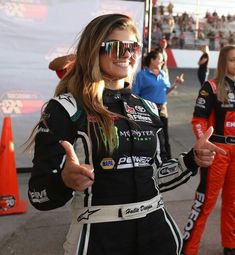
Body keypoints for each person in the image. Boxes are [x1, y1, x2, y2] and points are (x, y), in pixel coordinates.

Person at [27, 14, 225, 255]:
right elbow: (38, 195)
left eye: (133, 47)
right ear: (93, 50)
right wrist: (64, 182)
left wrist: (193, 159)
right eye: (116, 47)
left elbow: (156, 177)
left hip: (158, 234)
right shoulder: (65, 109)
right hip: (98, 238)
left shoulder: (148, 108)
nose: (127, 54)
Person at [182, 45, 235, 255]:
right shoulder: (211, 86)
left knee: (232, 202)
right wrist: (203, 143)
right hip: (217, 151)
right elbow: (198, 119)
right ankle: (189, 248)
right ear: (223, 62)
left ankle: (230, 245)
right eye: (232, 60)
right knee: (205, 203)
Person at [132, 49, 184, 159]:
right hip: (147, 110)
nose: (162, 62)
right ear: (152, 60)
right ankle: (149, 158)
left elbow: (165, 91)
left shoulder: (163, 74)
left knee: (164, 135)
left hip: (162, 109)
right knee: (149, 135)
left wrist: (176, 84)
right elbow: (136, 94)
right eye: (160, 59)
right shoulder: (142, 75)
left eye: (163, 60)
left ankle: (167, 159)